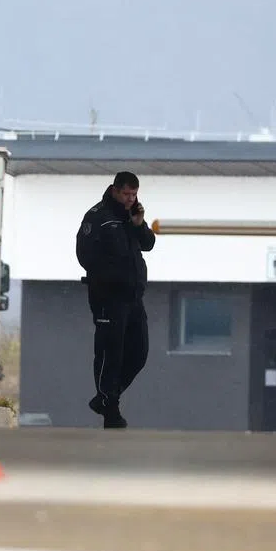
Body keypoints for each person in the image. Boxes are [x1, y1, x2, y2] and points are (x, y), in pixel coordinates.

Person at [75, 171, 155, 429]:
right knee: (111, 352)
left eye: (134, 194)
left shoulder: (131, 215)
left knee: (139, 351)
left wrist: (139, 223)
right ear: (114, 190)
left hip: (133, 296)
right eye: (126, 194)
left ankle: (107, 397)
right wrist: (108, 277)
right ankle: (110, 407)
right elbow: (84, 254)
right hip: (108, 296)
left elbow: (149, 244)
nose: (130, 199)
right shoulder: (98, 216)